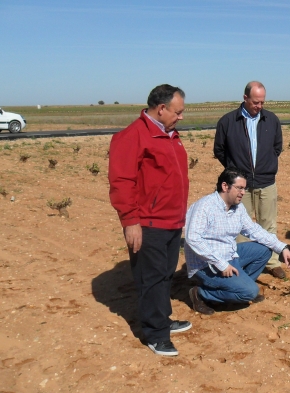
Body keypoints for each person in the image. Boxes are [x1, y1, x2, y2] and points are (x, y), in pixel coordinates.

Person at [108, 84, 191, 357]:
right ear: (162, 108)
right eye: (177, 112)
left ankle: (162, 320)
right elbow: (121, 182)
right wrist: (131, 222)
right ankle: (156, 334)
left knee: (165, 273)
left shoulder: (169, 134)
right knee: (151, 277)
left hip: (172, 220)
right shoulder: (132, 137)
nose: (181, 117)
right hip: (148, 223)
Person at [185, 167, 290, 315]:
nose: (243, 192)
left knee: (264, 250)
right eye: (239, 188)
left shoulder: (237, 208)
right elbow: (193, 238)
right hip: (207, 264)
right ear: (225, 186)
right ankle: (201, 293)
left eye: (244, 188)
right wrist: (221, 264)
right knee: (250, 293)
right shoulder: (205, 207)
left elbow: (254, 230)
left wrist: (282, 248)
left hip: (230, 255)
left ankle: (238, 286)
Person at [213, 81, 286, 279]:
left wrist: (266, 165)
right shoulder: (228, 121)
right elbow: (219, 150)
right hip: (239, 185)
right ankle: (242, 263)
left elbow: (277, 147)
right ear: (245, 98)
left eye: (262, 102)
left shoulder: (271, 120)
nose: (259, 106)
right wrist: (234, 169)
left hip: (266, 181)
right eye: (255, 102)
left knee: (268, 224)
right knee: (239, 227)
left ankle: (271, 262)